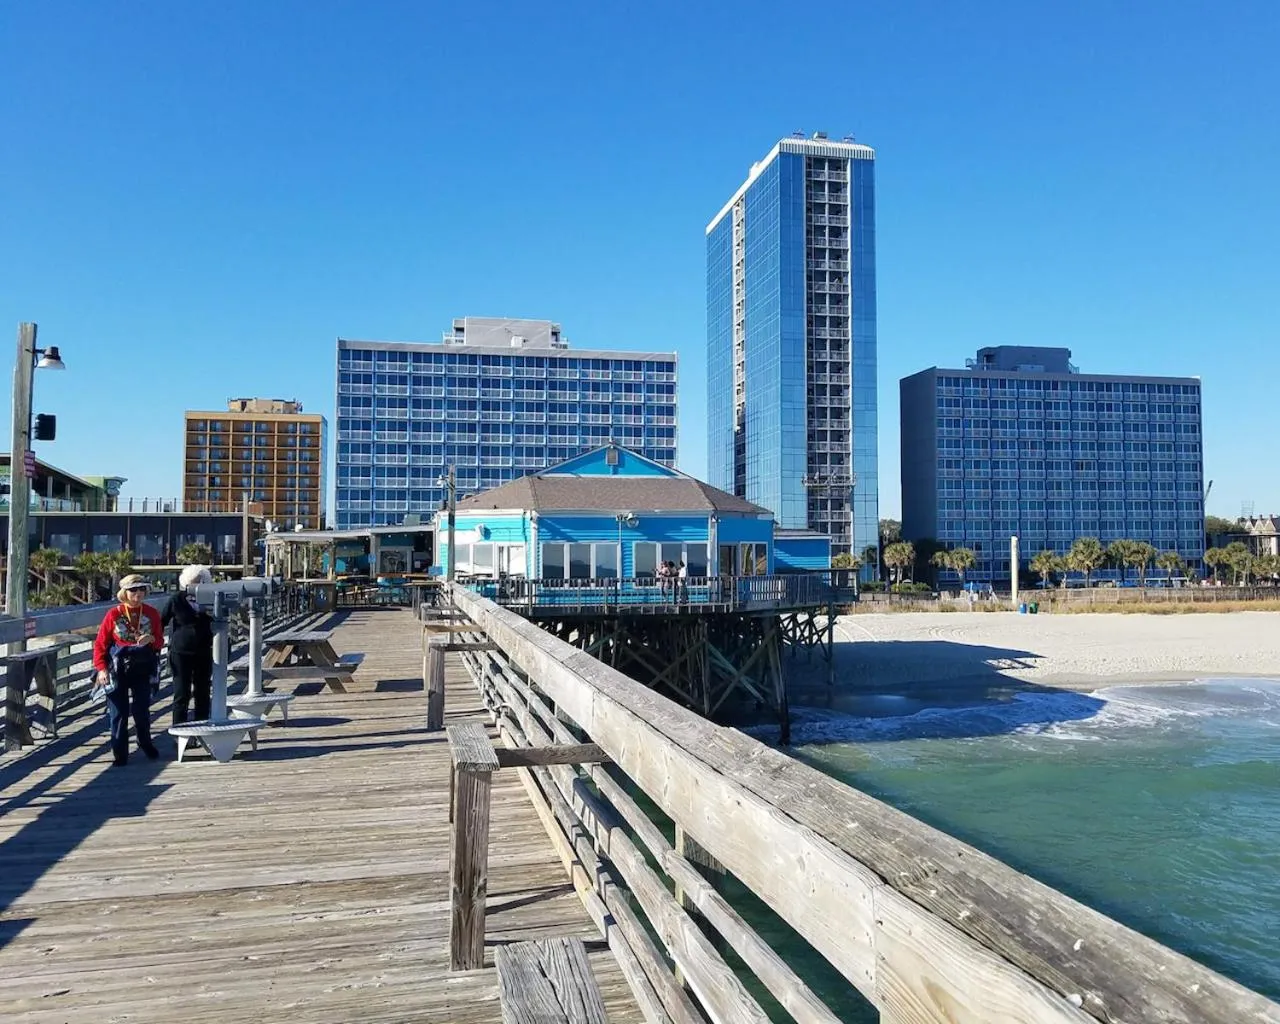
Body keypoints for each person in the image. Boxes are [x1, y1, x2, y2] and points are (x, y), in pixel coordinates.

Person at [92, 573, 164, 766]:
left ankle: (145, 741)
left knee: (142, 710)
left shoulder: (151, 613)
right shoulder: (114, 614)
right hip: (118, 668)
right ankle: (120, 753)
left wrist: (151, 640)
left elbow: (159, 641)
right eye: (134, 590)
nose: (138, 594)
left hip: (142, 666)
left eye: (142, 589)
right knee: (118, 713)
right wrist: (101, 669)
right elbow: (100, 643)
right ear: (125, 592)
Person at [163, 565, 214, 726]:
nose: (196, 585)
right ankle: (179, 731)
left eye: (200, 581)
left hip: (204, 650)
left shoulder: (210, 598)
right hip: (180, 652)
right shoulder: (176, 599)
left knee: (203, 691)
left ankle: (202, 727)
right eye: (192, 582)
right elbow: (161, 621)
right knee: (181, 692)